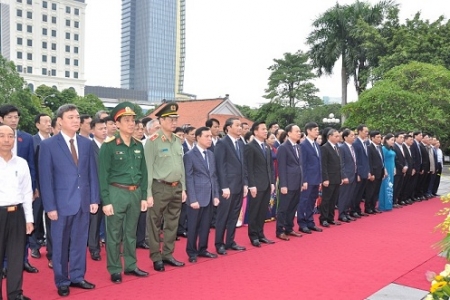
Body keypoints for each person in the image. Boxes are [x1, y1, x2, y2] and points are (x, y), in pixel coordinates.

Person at [39, 104, 99, 297]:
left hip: (83, 201)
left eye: (77, 117)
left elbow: (92, 174)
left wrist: (94, 199)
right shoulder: (48, 145)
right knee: (60, 244)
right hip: (60, 204)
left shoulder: (86, 143)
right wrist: (50, 206)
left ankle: (77, 276)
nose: (75, 120)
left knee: (80, 242)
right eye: (71, 117)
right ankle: (62, 280)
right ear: (60, 121)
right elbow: (45, 178)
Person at [98, 103, 149, 284]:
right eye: (126, 120)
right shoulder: (109, 146)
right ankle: (114, 268)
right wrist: (106, 200)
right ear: (117, 124)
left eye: (133, 120)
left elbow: (144, 173)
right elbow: (103, 175)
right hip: (116, 192)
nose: (131, 123)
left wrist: (143, 196)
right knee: (114, 234)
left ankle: (131, 265)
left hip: (134, 193)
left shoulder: (138, 145)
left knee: (131, 233)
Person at [144, 102, 186, 272]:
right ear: (160, 121)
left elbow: (181, 166)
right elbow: (147, 168)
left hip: (176, 187)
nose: (174, 122)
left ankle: (168, 254)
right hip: (159, 187)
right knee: (154, 223)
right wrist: (148, 193)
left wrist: (183, 188)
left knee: (172, 223)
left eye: (175, 119)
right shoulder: (153, 141)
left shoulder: (177, 141)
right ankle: (156, 256)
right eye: (170, 119)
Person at [0, 105, 38, 275]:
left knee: (24, 229)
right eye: (10, 117)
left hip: (23, 189)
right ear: (1, 119)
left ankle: (23, 260)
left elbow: (31, 164)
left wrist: (34, 187)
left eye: (16, 117)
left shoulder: (27, 138)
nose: (14, 120)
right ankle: (5, 264)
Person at [0, 124, 33, 300]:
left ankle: (15, 293)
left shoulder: (21, 163)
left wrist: (29, 219)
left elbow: (27, 192)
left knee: (15, 256)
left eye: (10, 136)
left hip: (17, 214)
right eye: (2, 136)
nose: (6, 140)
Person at [184, 127, 220, 262]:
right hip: (196, 198)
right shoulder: (189, 155)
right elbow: (189, 178)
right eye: (207, 136)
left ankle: (203, 249)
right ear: (198, 137)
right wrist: (192, 199)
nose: (210, 139)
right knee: (193, 226)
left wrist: (216, 195)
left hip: (209, 196)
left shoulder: (211, 154)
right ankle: (191, 252)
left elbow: (214, 177)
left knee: (206, 225)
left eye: (211, 136)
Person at [214, 118, 248, 255]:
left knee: (234, 215)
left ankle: (230, 241)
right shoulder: (222, 144)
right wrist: (224, 186)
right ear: (228, 128)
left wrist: (246, 183)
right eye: (237, 125)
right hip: (227, 187)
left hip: (239, 186)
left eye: (241, 126)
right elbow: (220, 167)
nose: (240, 128)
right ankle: (219, 243)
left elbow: (244, 166)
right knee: (223, 216)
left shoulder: (240, 143)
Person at [244, 121, 275, 247]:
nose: (266, 131)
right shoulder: (250, 147)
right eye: (263, 129)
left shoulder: (267, 147)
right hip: (256, 185)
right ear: (255, 131)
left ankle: (261, 234)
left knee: (263, 211)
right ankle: (253, 236)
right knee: (254, 211)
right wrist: (251, 185)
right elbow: (248, 168)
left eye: (266, 129)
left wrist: (272, 182)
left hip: (267, 184)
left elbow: (270, 167)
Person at [30, 113, 53, 269]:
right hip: (37, 186)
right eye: (45, 122)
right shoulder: (32, 141)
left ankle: (52, 251)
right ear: (38, 125)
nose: (48, 124)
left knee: (52, 219)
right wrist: (34, 186)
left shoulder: (55, 141)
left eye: (50, 121)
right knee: (36, 217)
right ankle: (35, 247)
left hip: (52, 187)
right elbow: (31, 165)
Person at [276, 124, 303, 241]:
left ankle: (289, 228)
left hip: (297, 183)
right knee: (284, 208)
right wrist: (283, 185)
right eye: (296, 131)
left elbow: (300, 166)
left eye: (299, 131)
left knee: (293, 207)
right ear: (289, 133)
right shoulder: (283, 147)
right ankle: (280, 230)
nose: (299, 133)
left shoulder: (298, 147)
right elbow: (281, 167)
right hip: (287, 183)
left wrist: (302, 182)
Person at [298, 122, 323, 233]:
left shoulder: (316, 144)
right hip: (308, 179)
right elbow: (303, 164)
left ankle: (310, 221)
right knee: (304, 201)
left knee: (312, 201)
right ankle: (302, 223)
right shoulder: (303, 145)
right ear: (308, 131)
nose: (317, 131)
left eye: (318, 129)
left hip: (316, 178)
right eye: (315, 129)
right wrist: (304, 180)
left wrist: (321, 179)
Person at [88, 118, 107, 262]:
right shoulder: (88, 146)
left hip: (111, 189)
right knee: (95, 222)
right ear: (92, 131)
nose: (104, 131)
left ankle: (112, 246)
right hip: (94, 189)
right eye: (101, 128)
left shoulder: (110, 145)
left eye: (105, 128)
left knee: (111, 221)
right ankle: (94, 248)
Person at [319, 129, 342, 227]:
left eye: (338, 136)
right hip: (329, 178)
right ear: (330, 136)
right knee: (326, 199)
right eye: (336, 136)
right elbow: (323, 165)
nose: (338, 138)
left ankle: (330, 217)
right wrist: (325, 178)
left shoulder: (337, 147)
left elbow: (339, 164)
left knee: (333, 199)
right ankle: (323, 218)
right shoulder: (325, 148)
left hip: (336, 177)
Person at [337, 130, 358, 223]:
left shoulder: (352, 147)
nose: (354, 137)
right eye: (352, 135)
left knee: (350, 195)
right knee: (344, 196)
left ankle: (346, 212)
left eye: (354, 135)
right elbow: (341, 164)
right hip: (346, 176)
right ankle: (341, 214)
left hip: (353, 175)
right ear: (345, 137)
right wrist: (344, 176)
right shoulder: (342, 148)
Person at [351, 124, 370, 218]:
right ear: (359, 131)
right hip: (359, 172)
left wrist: (368, 171)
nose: (367, 133)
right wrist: (357, 173)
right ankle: (353, 210)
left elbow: (367, 159)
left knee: (361, 192)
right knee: (356, 192)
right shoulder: (355, 143)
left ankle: (358, 209)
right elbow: (356, 160)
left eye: (367, 131)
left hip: (365, 171)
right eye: (365, 131)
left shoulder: (366, 143)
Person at [365, 131, 385, 214]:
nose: (379, 139)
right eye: (377, 137)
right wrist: (371, 173)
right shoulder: (369, 147)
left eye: (380, 137)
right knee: (370, 191)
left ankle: (373, 206)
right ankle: (368, 207)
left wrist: (383, 171)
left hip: (380, 172)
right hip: (373, 173)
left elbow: (381, 161)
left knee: (376, 191)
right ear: (372, 138)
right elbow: (369, 161)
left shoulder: (380, 147)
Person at [378, 133, 396, 211]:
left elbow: (393, 160)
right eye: (392, 140)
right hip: (386, 169)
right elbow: (382, 160)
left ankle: (389, 204)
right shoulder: (383, 149)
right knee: (385, 187)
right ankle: (383, 205)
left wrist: (395, 168)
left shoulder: (391, 149)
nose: (393, 141)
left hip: (391, 168)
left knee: (390, 186)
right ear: (387, 140)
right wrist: (384, 169)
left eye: (394, 140)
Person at [266, 132, 278, 220]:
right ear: (266, 139)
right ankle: (266, 215)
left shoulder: (275, 149)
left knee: (274, 194)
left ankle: (272, 214)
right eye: (271, 138)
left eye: (274, 138)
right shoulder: (265, 149)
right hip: (267, 173)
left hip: (276, 172)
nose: (273, 140)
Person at [393, 133, 407, 207]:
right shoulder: (394, 147)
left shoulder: (403, 147)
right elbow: (396, 160)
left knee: (399, 186)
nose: (402, 139)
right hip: (398, 170)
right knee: (395, 186)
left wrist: (406, 166)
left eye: (403, 137)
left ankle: (396, 200)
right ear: (396, 138)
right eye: (400, 137)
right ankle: (393, 201)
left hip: (403, 170)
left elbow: (405, 158)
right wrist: (402, 167)